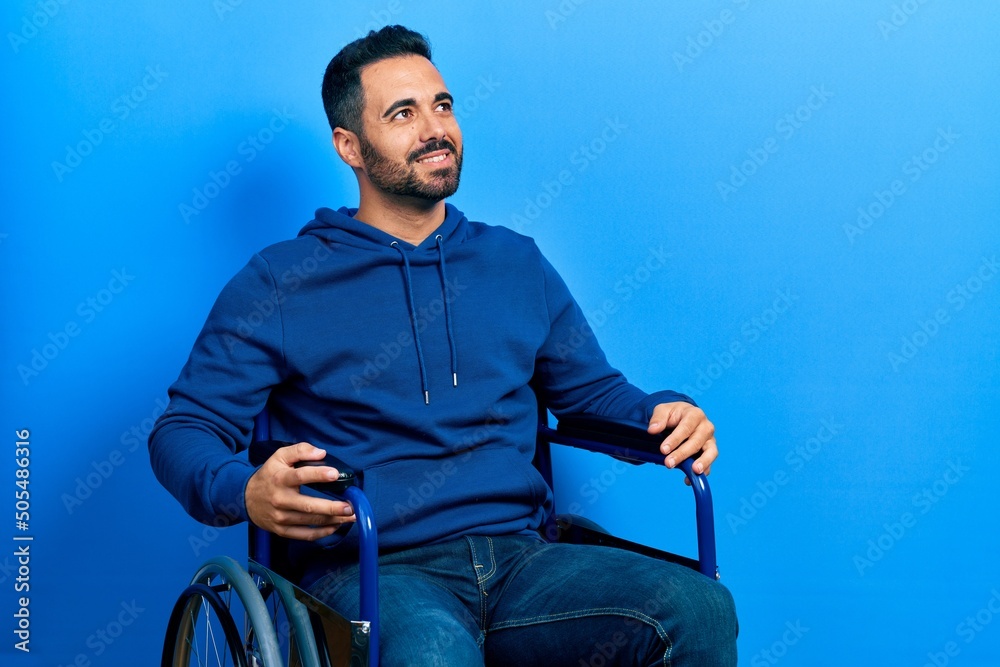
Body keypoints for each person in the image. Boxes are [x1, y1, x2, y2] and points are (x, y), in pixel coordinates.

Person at [149, 24, 737, 666]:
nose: (434, 128)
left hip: (521, 559)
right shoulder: (281, 281)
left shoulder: (514, 263)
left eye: (442, 105)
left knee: (697, 606)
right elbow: (184, 430)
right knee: (431, 654)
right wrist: (243, 490)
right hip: (373, 568)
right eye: (403, 113)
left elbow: (593, 393)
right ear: (350, 146)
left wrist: (665, 413)